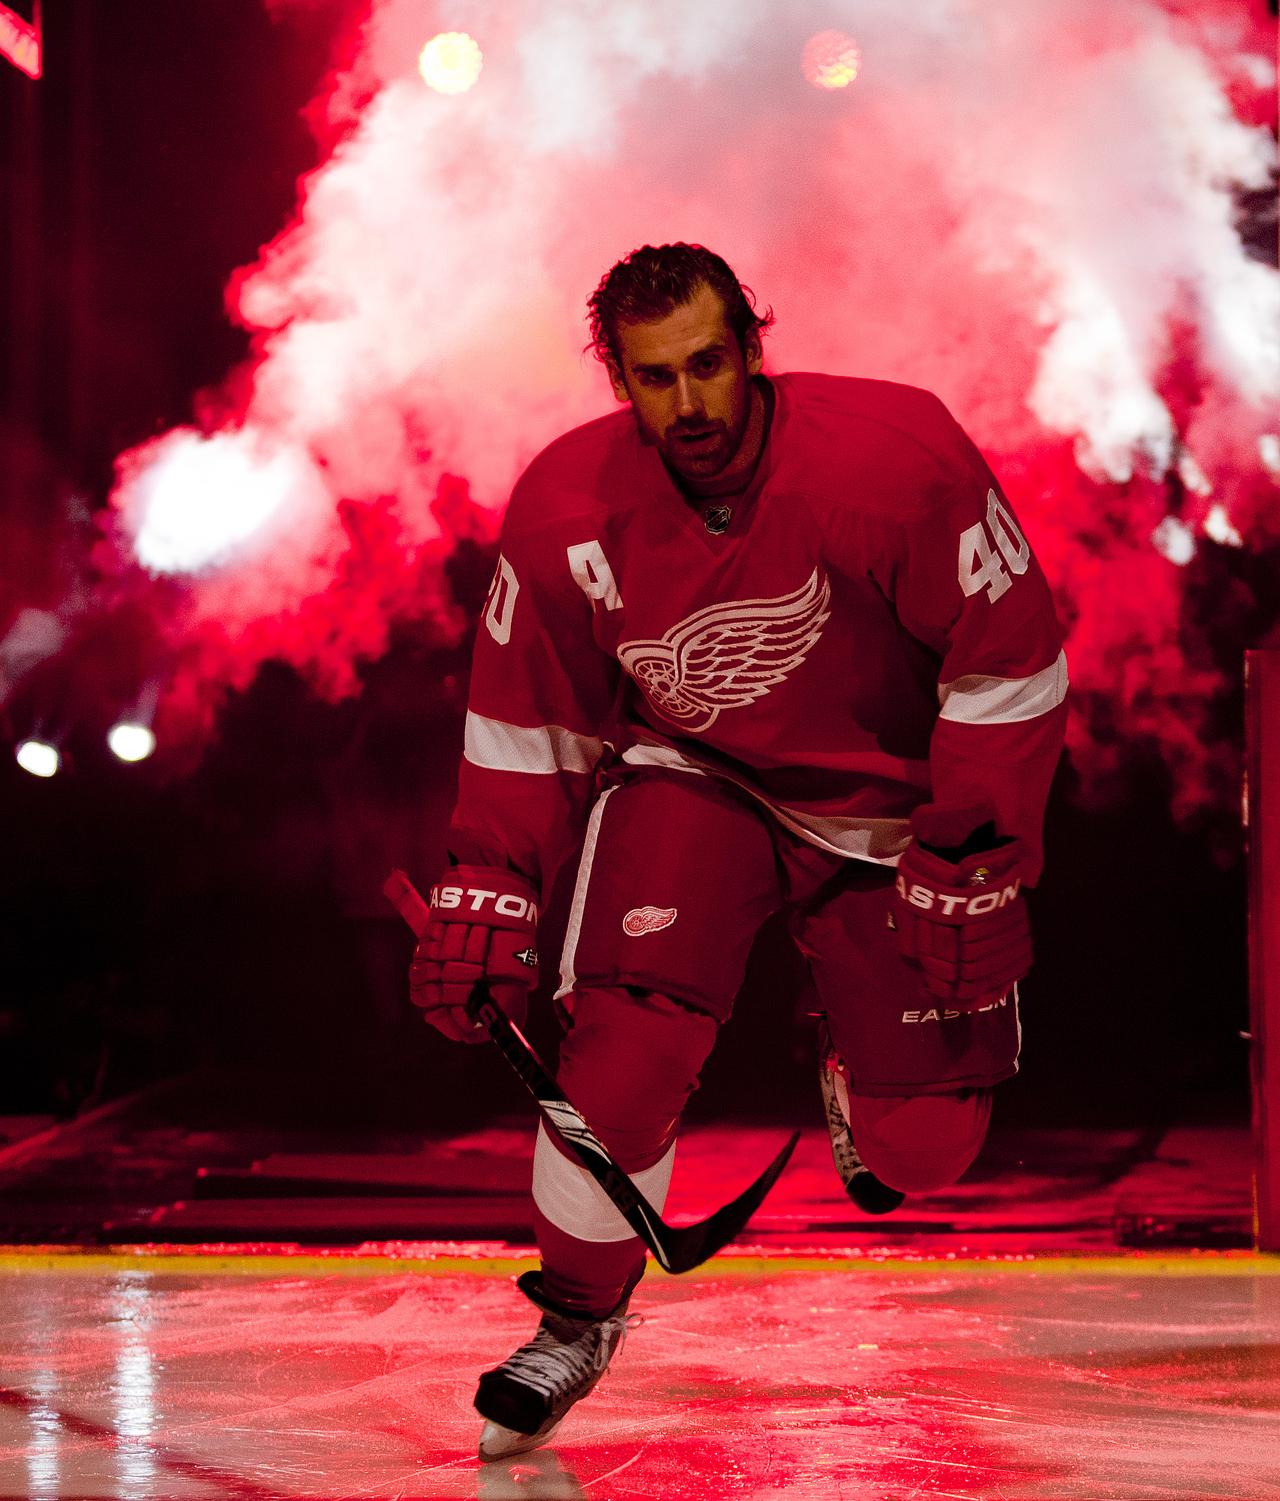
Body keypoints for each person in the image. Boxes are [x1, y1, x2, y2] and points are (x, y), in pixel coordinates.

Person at [409, 243, 1068, 1460]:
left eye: (707, 364)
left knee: (924, 1153)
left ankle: (849, 1058)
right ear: (618, 378)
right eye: (653, 378)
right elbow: (527, 717)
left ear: (752, 347)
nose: (688, 403)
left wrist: (973, 843)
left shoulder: (895, 459)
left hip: (889, 811)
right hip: (697, 780)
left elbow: (1007, 656)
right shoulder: (564, 505)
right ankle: (573, 1320)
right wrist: (493, 882)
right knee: (616, 1059)